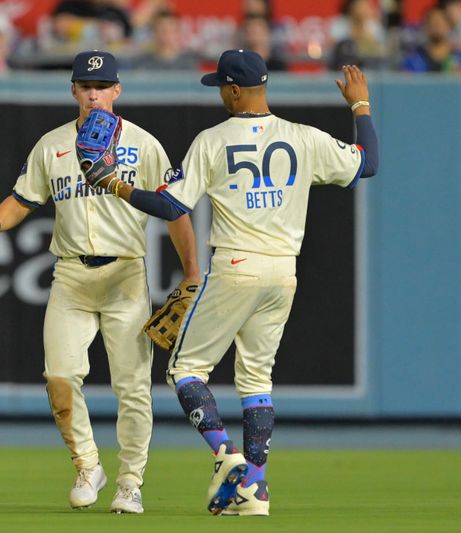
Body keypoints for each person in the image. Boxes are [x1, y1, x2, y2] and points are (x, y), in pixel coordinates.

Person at [94, 50, 379, 516]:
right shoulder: (303, 138)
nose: (219, 93)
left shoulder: (213, 140)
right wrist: (360, 106)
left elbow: (171, 207)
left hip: (236, 265)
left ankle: (227, 457)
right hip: (283, 272)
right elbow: (367, 164)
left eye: (220, 86)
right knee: (256, 379)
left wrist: (117, 185)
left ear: (233, 89)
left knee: (183, 371)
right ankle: (256, 490)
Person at [0, 50, 199, 514]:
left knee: (132, 387)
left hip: (125, 272)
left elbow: (175, 210)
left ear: (117, 90)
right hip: (70, 275)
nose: (93, 94)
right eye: (85, 86)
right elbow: (23, 199)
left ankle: (130, 482)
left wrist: (191, 272)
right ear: (73, 91)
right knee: (59, 377)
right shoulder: (52, 145)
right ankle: (88, 465)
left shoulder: (143, 144)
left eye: (102, 86)